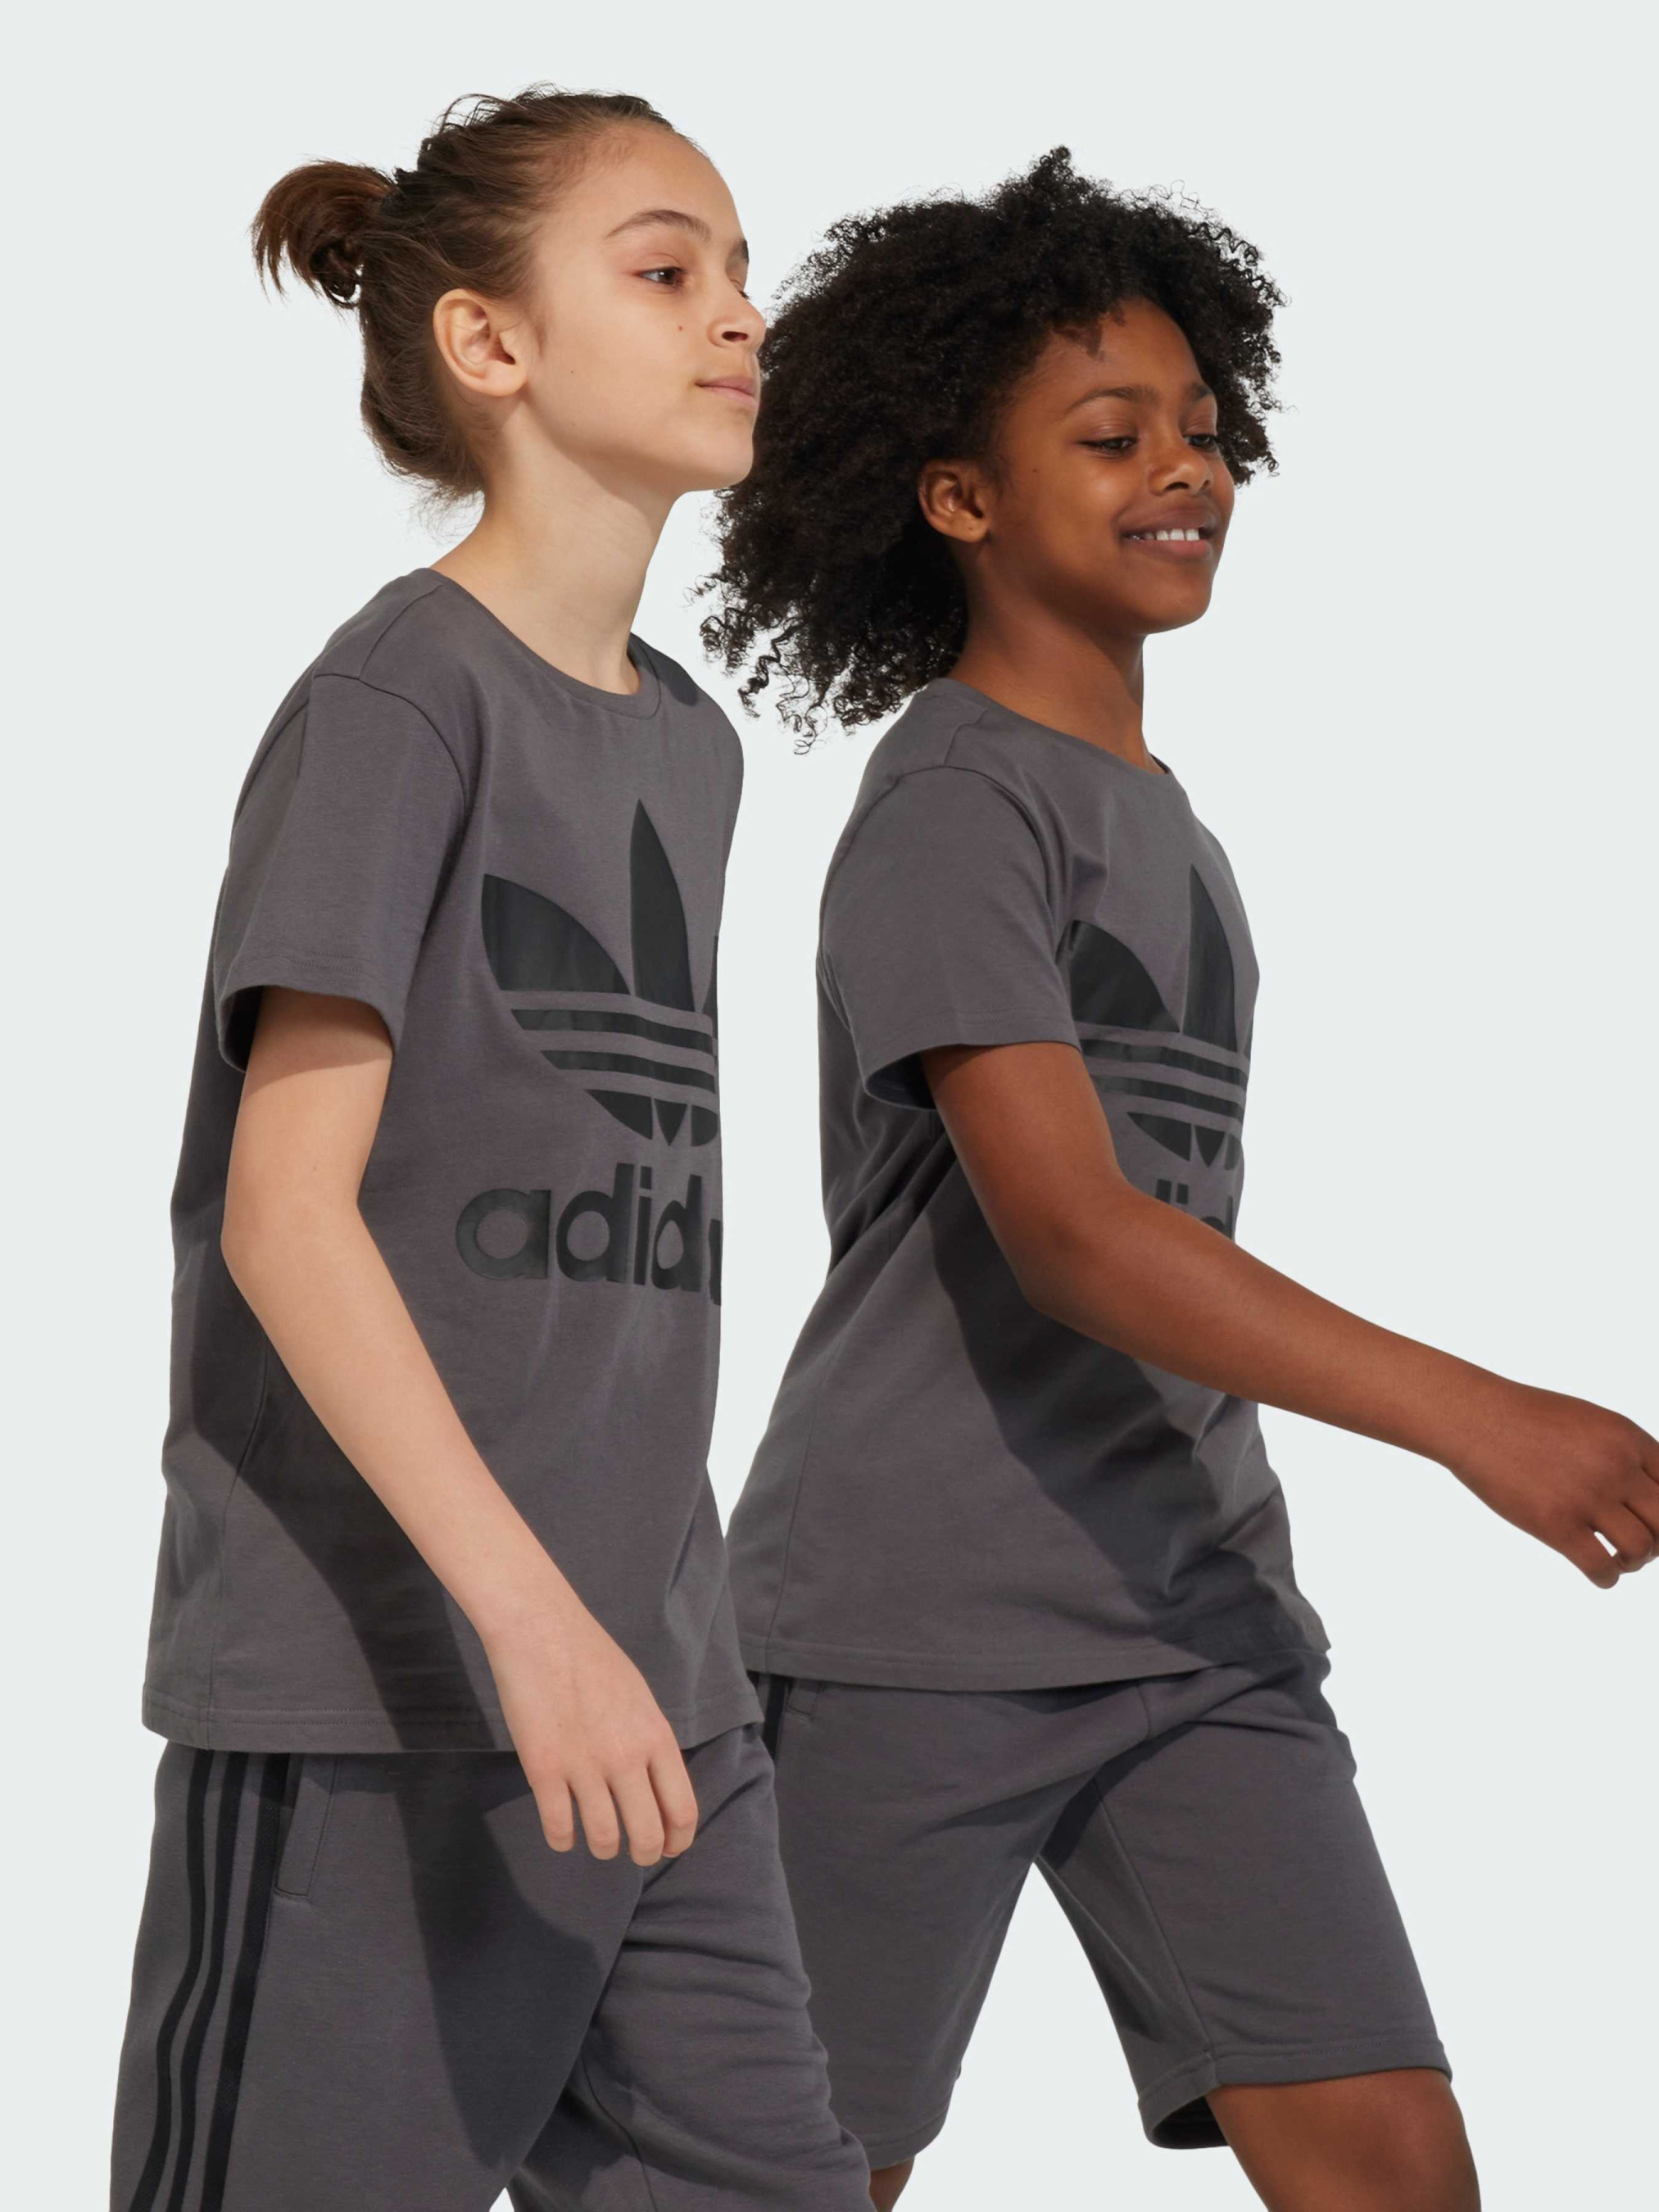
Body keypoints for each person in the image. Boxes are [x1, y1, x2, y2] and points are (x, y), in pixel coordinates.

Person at [702, 150, 1658, 2212]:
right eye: (1108, 435)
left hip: (1190, 1607)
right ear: (955, 498)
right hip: (908, 1620)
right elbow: (1071, 1233)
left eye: (1202, 430)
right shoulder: (951, 800)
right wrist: (1474, 1418)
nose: (1182, 471)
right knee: (787, 2178)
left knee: (1387, 2159)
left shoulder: (1167, 826)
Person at [111, 86, 870, 2212]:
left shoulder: (690, 741)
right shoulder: (398, 701)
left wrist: (624, 1639)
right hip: (376, 1696)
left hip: (656, 1690)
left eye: (740, 270)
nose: (740, 314)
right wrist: (531, 1627)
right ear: (489, 341)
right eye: (667, 269)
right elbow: (288, 1220)